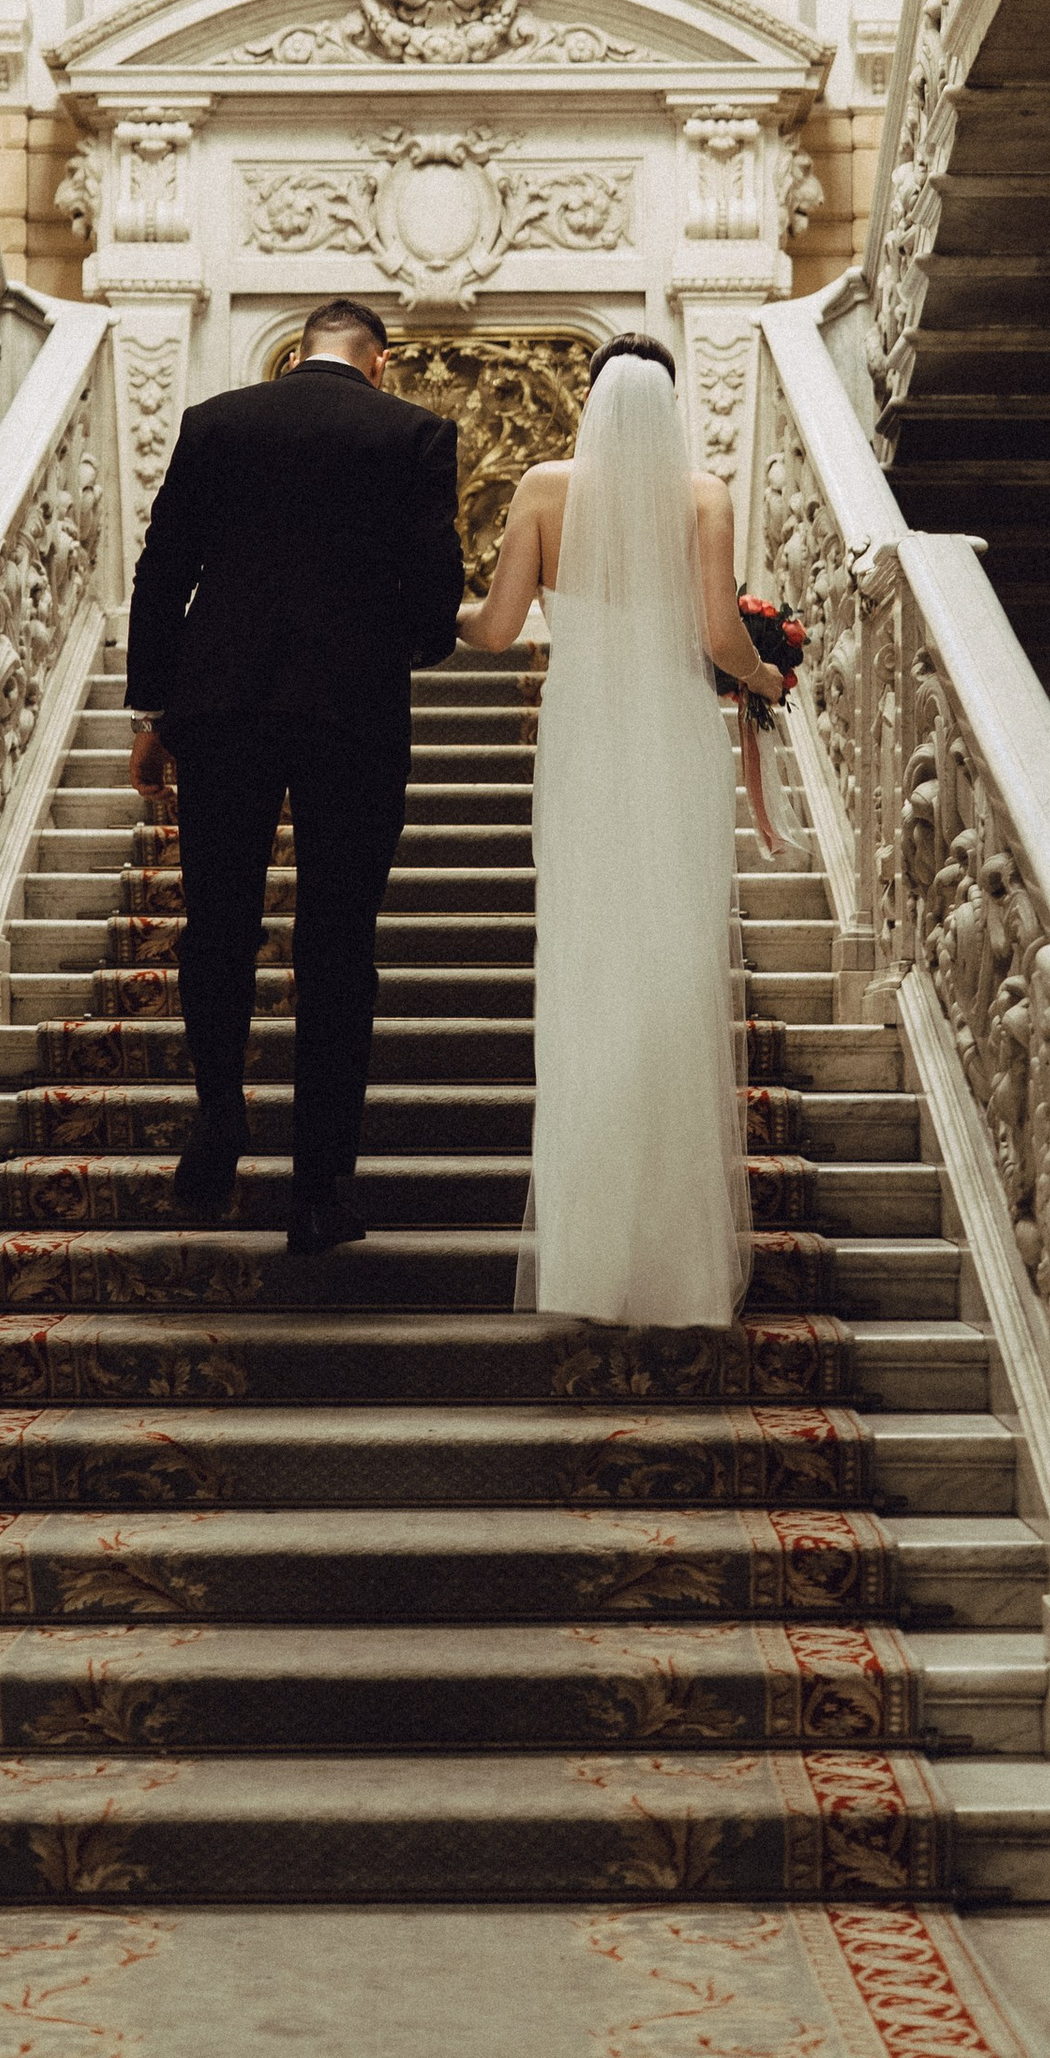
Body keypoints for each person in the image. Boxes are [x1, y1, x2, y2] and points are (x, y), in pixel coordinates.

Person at [456, 334, 787, 1329]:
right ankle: (670, 1257)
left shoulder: (544, 489)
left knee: (588, 964)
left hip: (585, 739)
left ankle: (587, 1253)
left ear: (589, 402)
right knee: (672, 965)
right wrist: (769, 678)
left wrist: (429, 605)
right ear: (671, 403)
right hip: (672, 737)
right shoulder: (702, 494)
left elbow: (497, 630)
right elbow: (720, 636)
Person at [126, 297, 464, 1258]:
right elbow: (438, 581)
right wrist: (392, 647)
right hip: (352, 711)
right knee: (338, 941)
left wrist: (154, 709)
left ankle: (218, 1120)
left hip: (222, 704)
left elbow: (163, 570)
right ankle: (318, 1191)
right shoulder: (415, 433)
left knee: (220, 922)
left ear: (296, 353)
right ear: (379, 362)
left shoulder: (216, 423)